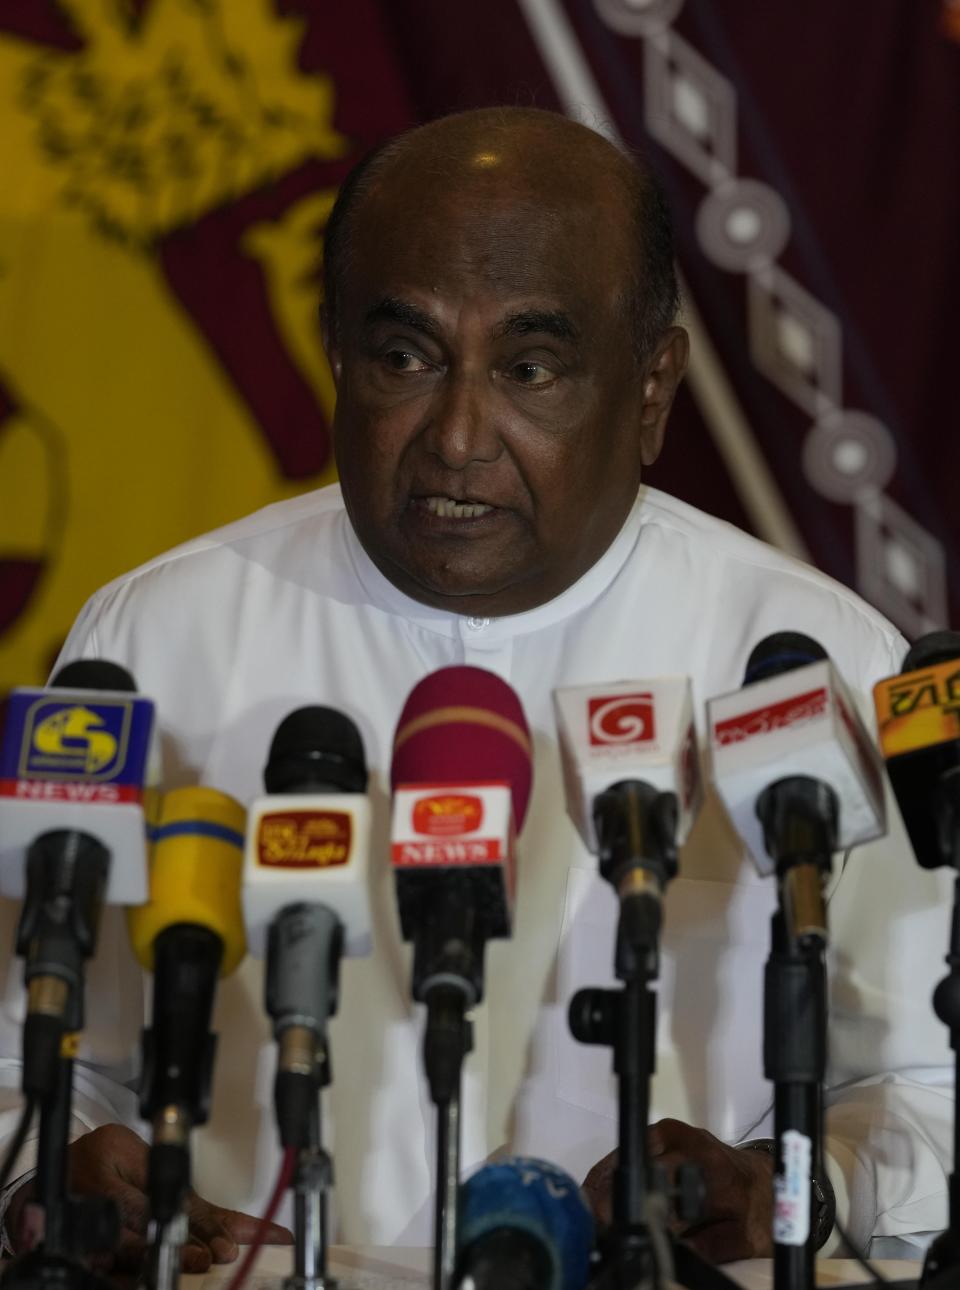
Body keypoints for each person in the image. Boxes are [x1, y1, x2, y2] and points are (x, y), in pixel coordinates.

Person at [0, 107, 951, 1275]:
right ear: (338, 355)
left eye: (531, 368)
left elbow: (923, 1079)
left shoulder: (810, 657)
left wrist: (803, 1184)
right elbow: (34, 1049)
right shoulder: (157, 634)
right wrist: (55, 1164)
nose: (456, 437)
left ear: (651, 390)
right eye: (406, 357)